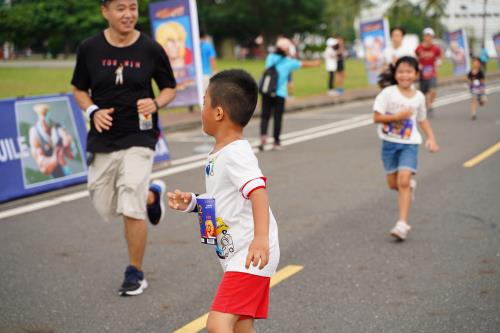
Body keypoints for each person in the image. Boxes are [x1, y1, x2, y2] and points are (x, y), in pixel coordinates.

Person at [71, 0, 176, 296]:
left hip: (140, 135)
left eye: (133, 7)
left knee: (130, 200)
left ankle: (135, 272)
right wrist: (92, 110)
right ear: (105, 11)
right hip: (103, 136)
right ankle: (151, 194)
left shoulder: (150, 49)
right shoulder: (89, 48)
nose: (128, 14)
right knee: (103, 202)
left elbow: (170, 87)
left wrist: (156, 102)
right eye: (121, 8)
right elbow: (79, 88)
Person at [167, 69, 280, 333]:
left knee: (217, 324)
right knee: (241, 326)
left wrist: (260, 239)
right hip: (236, 252)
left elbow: (258, 192)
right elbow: (222, 198)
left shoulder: (236, 153)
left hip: (250, 253)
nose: (201, 108)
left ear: (219, 113)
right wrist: (193, 203)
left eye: (204, 102)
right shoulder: (220, 153)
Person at [373, 56, 439, 241]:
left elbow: (422, 119)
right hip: (388, 144)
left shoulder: (418, 97)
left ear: (416, 74)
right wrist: (397, 116)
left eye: (409, 71)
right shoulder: (388, 93)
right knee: (394, 184)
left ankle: (402, 224)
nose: (405, 75)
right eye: (401, 71)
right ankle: (409, 187)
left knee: (402, 181)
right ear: (395, 74)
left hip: (409, 144)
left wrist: (431, 138)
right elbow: (376, 118)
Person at [259, 37, 321, 151]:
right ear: (287, 49)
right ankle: (276, 142)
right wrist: (316, 63)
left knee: (265, 116)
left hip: (267, 91)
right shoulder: (289, 62)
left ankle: (263, 136)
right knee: (277, 117)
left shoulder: (270, 57)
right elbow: (303, 64)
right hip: (280, 93)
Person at [28, 104, 76, 178]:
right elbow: (43, 168)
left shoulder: (58, 128)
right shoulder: (34, 132)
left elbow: (72, 155)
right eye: (42, 116)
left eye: (46, 115)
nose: (45, 120)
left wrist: (67, 144)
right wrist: (55, 158)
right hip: (52, 177)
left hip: (67, 171)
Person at [415, 27, 443, 117]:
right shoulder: (419, 48)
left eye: (430, 36)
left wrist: (438, 62)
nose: (428, 38)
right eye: (426, 36)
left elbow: (441, 56)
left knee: (433, 90)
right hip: (422, 73)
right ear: (424, 37)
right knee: (423, 93)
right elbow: (416, 57)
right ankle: (425, 107)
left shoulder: (435, 48)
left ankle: (430, 105)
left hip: (432, 72)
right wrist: (417, 65)